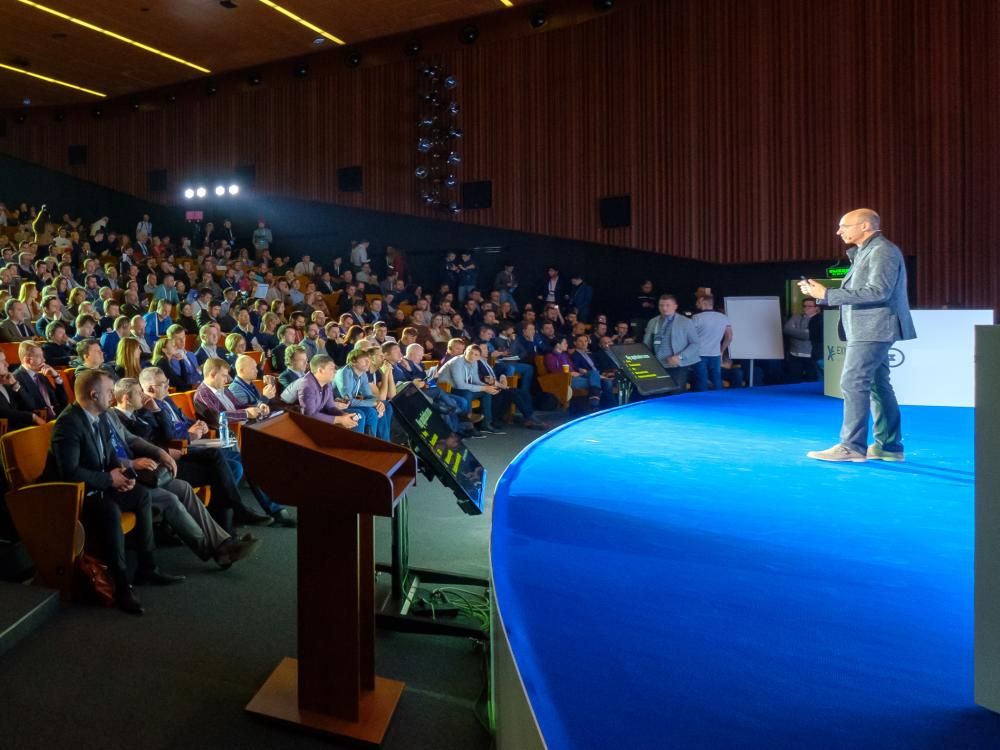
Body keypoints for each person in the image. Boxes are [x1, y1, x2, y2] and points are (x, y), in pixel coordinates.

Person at [44, 368, 183, 615]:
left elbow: (108, 454)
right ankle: (121, 585)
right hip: (73, 494)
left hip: (99, 485)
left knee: (141, 494)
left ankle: (147, 568)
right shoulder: (69, 424)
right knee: (110, 510)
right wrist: (110, 479)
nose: (112, 396)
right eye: (109, 391)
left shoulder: (100, 416)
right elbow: (70, 472)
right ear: (93, 394)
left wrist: (122, 475)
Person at [799, 208, 916, 462]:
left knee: (853, 383)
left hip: (873, 327)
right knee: (877, 385)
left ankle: (851, 446)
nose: (839, 231)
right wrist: (823, 292)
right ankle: (889, 446)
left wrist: (827, 295)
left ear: (865, 226)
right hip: (870, 327)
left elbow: (878, 291)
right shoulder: (866, 252)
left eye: (844, 226)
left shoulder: (882, 250)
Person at [108, 378, 259, 570]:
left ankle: (225, 539)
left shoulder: (131, 414)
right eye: (139, 392)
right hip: (137, 473)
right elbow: (130, 447)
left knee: (190, 484)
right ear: (127, 398)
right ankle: (219, 547)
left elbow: (143, 438)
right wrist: (142, 458)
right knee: (185, 489)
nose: (110, 397)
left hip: (156, 464)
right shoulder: (114, 416)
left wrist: (157, 418)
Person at [436, 344, 505, 433]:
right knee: (467, 393)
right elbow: (460, 385)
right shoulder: (457, 362)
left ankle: (486, 423)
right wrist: (483, 388)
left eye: (476, 354)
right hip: (446, 389)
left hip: (460, 388)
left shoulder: (474, 362)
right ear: (465, 352)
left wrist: (487, 387)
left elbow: (475, 380)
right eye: (470, 352)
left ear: (479, 357)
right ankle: (469, 427)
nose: (472, 355)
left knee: (487, 392)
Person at [642, 294, 700, 390]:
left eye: (667, 305)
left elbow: (695, 344)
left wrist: (680, 356)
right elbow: (646, 343)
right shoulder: (652, 322)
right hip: (657, 365)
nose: (664, 308)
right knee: (659, 394)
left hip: (677, 365)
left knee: (675, 394)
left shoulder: (685, 322)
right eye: (661, 305)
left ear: (675, 306)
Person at [334, 348, 392, 440]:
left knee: (385, 406)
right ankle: (370, 444)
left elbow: (368, 396)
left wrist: (378, 403)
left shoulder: (363, 374)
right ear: (353, 361)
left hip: (353, 401)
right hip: (339, 404)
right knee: (370, 412)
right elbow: (348, 400)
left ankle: (384, 443)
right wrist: (374, 403)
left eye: (369, 360)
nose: (368, 363)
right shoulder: (344, 373)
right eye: (365, 360)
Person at [298, 354, 362, 429]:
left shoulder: (327, 383)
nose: (335, 371)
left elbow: (330, 407)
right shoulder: (307, 386)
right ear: (320, 370)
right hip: (301, 425)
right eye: (331, 369)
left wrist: (344, 415)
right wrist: (339, 420)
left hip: (318, 419)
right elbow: (310, 415)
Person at [13, 341, 69, 420]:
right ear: (27, 360)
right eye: (39, 356)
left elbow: (62, 401)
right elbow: (31, 407)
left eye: (43, 356)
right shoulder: (16, 379)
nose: (44, 360)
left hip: (58, 418)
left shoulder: (41, 375)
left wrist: (56, 377)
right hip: (40, 423)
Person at [691, 295, 733, 391]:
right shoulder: (723, 317)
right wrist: (722, 350)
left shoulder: (696, 318)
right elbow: (729, 336)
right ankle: (719, 401)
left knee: (702, 380)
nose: (696, 303)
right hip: (716, 354)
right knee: (717, 380)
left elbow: (690, 336)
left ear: (704, 302)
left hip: (699, 354)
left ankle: (703, 403)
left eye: (698, 301)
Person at [784, 297, 820, 382]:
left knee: (812, 381)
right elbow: (786, 329)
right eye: (804, 306)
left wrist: (795, 331)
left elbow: (808, 336)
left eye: (809, 306)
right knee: (794, 381)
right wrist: (804, 332)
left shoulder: (819, 319)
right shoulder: (796, 316)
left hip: (811, 356)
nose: (806, 308)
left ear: (817, 307)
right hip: (794, 354)